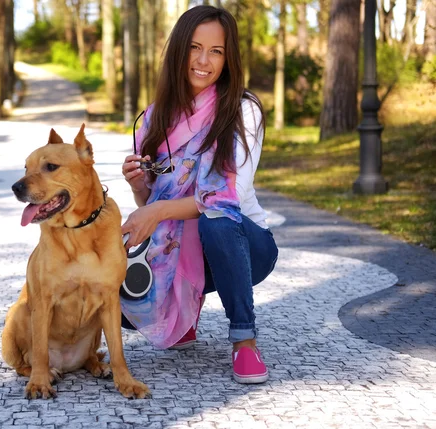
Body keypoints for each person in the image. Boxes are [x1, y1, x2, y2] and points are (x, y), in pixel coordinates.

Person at [120, 5, 278, 384]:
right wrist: (139, 184)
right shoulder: (154, 118)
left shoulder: (243, 110)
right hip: (179, 247)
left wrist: (154, 213)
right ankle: (183, 315)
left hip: (245, 245)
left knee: (217, 220)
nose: (203, 61)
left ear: (228, 58)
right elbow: (152, 203)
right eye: (194, 47)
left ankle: (244, 340)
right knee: (125, 305)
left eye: (216, 51)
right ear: (179, 50)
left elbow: (229, 198)